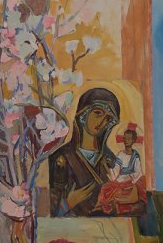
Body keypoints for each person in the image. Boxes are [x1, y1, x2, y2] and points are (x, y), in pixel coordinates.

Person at [49, 87, 120, 217]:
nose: (102, 122)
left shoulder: (110, 160)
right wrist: (67, 203)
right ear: (83, 113)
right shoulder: (61, 158)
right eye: (98, 113)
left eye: (108, 118)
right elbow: (50, 213)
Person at [93, 123, 147, 216]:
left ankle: (117, 206)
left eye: (129, 139)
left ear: (133, 140)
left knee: (122, 192)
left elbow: (138, 171)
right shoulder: (120, 155)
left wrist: (131, 177)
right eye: (125, 139)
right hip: (120, 180)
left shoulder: (135, 155)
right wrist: (108, 167)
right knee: (105, 188)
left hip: (131, 180)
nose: (126, 141)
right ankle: (102, 205)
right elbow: (115, 170)